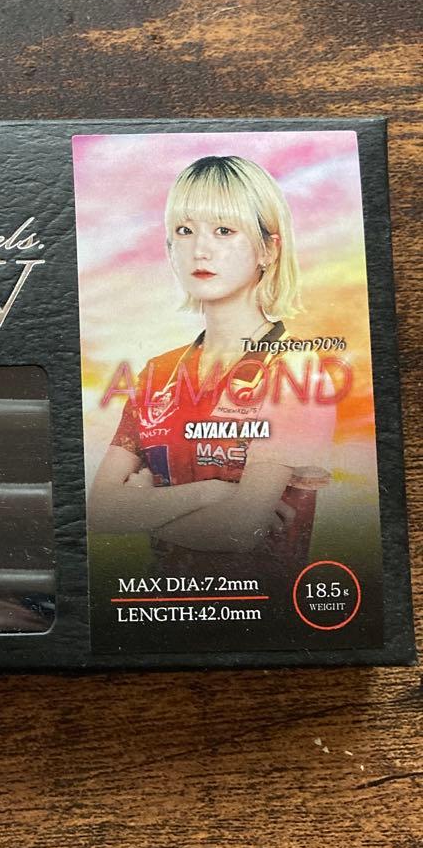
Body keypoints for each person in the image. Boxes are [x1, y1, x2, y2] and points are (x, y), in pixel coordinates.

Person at [88, 155, 336, 584]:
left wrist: (141, 507)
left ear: (269, 249)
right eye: (184, 231)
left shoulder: (295, 371)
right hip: (159, 609)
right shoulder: (157, 373)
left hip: (261, 612)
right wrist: (211, 493)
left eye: (224, 230)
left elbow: (240, 530)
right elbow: (99, 511)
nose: (200, 249)